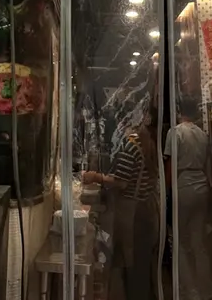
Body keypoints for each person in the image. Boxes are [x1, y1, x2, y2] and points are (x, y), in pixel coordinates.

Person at [83, 110, 159, 300]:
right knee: (141, 263)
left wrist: (96, 177)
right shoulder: (147, 143)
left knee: (129, 262)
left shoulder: (130, 145)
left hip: (133, 213)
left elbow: (122, 182)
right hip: (146, 208)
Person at [165, 100, 212, 300]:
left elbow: (170, 165)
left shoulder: (175, 132)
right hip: (202, 185)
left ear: (179, 112)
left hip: (183, 186)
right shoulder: (202, 134)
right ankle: (207, 290)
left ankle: (189, 289)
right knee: (198, 241)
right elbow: (208, 163)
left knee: (178, 239)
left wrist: (166, 191)